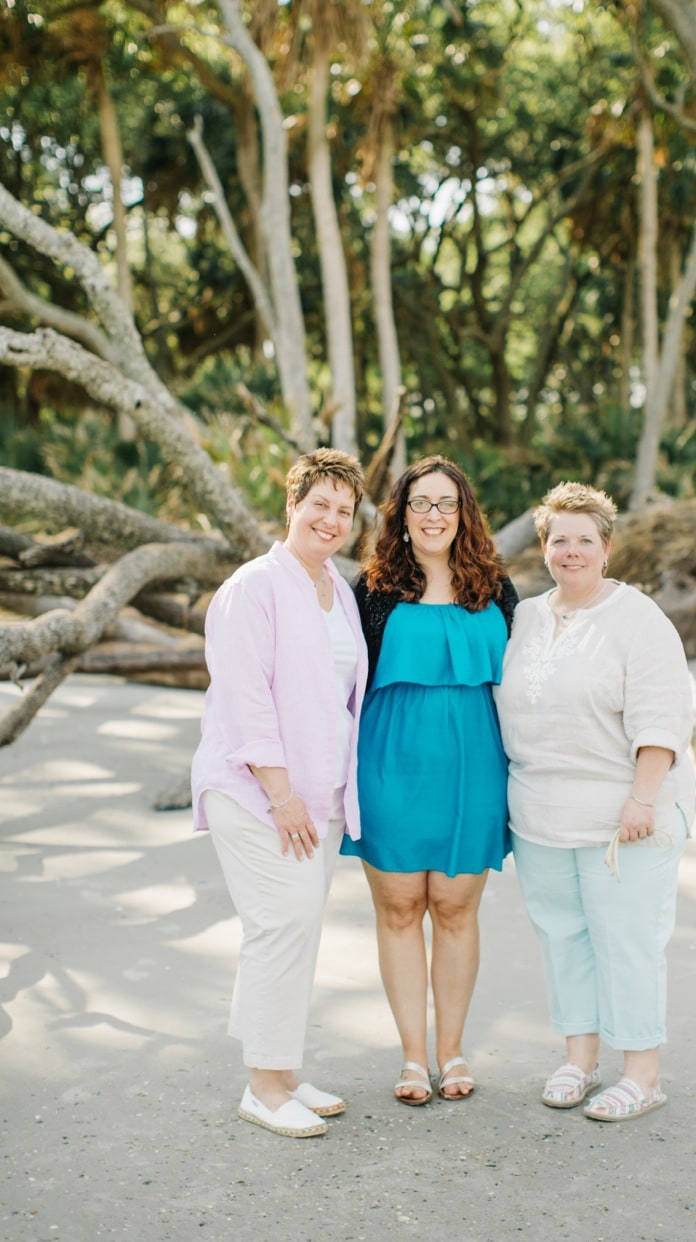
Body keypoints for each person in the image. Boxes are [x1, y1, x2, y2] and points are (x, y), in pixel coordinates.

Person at [493, 481, 695, 1122]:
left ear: (606, 549)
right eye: (559, 540)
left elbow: (663, 716)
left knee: (628, 939)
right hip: (540, 815)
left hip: (625, 816)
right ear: (544, 550)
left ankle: (643, 1071)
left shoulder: (638, 620)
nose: (571, 551)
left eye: (585, 540)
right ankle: (579, 1058)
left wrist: (643, 799)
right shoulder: (524, 617)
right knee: (563, 936)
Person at [190, 449, 368, 1139]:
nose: (330, 519)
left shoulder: (338, 590)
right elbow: (243, 698)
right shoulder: (253, 586)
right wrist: (281, 793)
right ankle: (262, 1088)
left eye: (343, 510)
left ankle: (284, 1071)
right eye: (318, 503)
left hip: (315, 796)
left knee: (296, 930)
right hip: (258, 792)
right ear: (292, 505)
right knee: (278, 927)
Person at [341, 456, 518, 1105]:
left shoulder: (496, 590)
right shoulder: (372, 590)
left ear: (464, 513)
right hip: (388, 765)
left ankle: (453, 1051)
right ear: (402, 515)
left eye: (446, 503)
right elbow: (338, 679)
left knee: (453, 907)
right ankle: (413, 1058)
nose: (434, 515)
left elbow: (525, 684)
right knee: (397, 909)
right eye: (421, 504)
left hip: (474, 768)